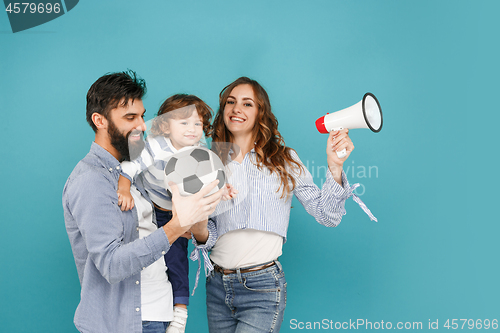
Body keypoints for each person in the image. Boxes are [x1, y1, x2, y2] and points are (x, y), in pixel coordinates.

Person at [196, 77, 377, 333]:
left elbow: (327, 216)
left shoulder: (284, 159)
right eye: (231, 102)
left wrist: (335, 167)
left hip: (262, 288)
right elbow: (208, 235)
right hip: (217, 286)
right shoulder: (208, 162)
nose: (236, 109)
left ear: (261, 113)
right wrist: (197, 220)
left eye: (247, 104)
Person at [63, 71, 222, 333]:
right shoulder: (92, 179)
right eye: (129, 118)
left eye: (141, 115)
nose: (142, 126)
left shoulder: (141, 169)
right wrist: (174, 228)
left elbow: (192, 234)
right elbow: (112, 265)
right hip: (126, 323)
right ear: (99, 120)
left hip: (159, 314)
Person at [116, 94, 235, 333]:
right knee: (148, 258)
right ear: (165, 126)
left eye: (198, 124)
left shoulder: (200, 151)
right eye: (184, 123)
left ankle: (180, 312)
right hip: (150, 208)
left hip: (175, 213)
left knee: (178, 260)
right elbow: (130, 166)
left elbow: (211, 177)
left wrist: (223, 188)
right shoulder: (155, 146)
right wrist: (124, 188)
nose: (192, 129)